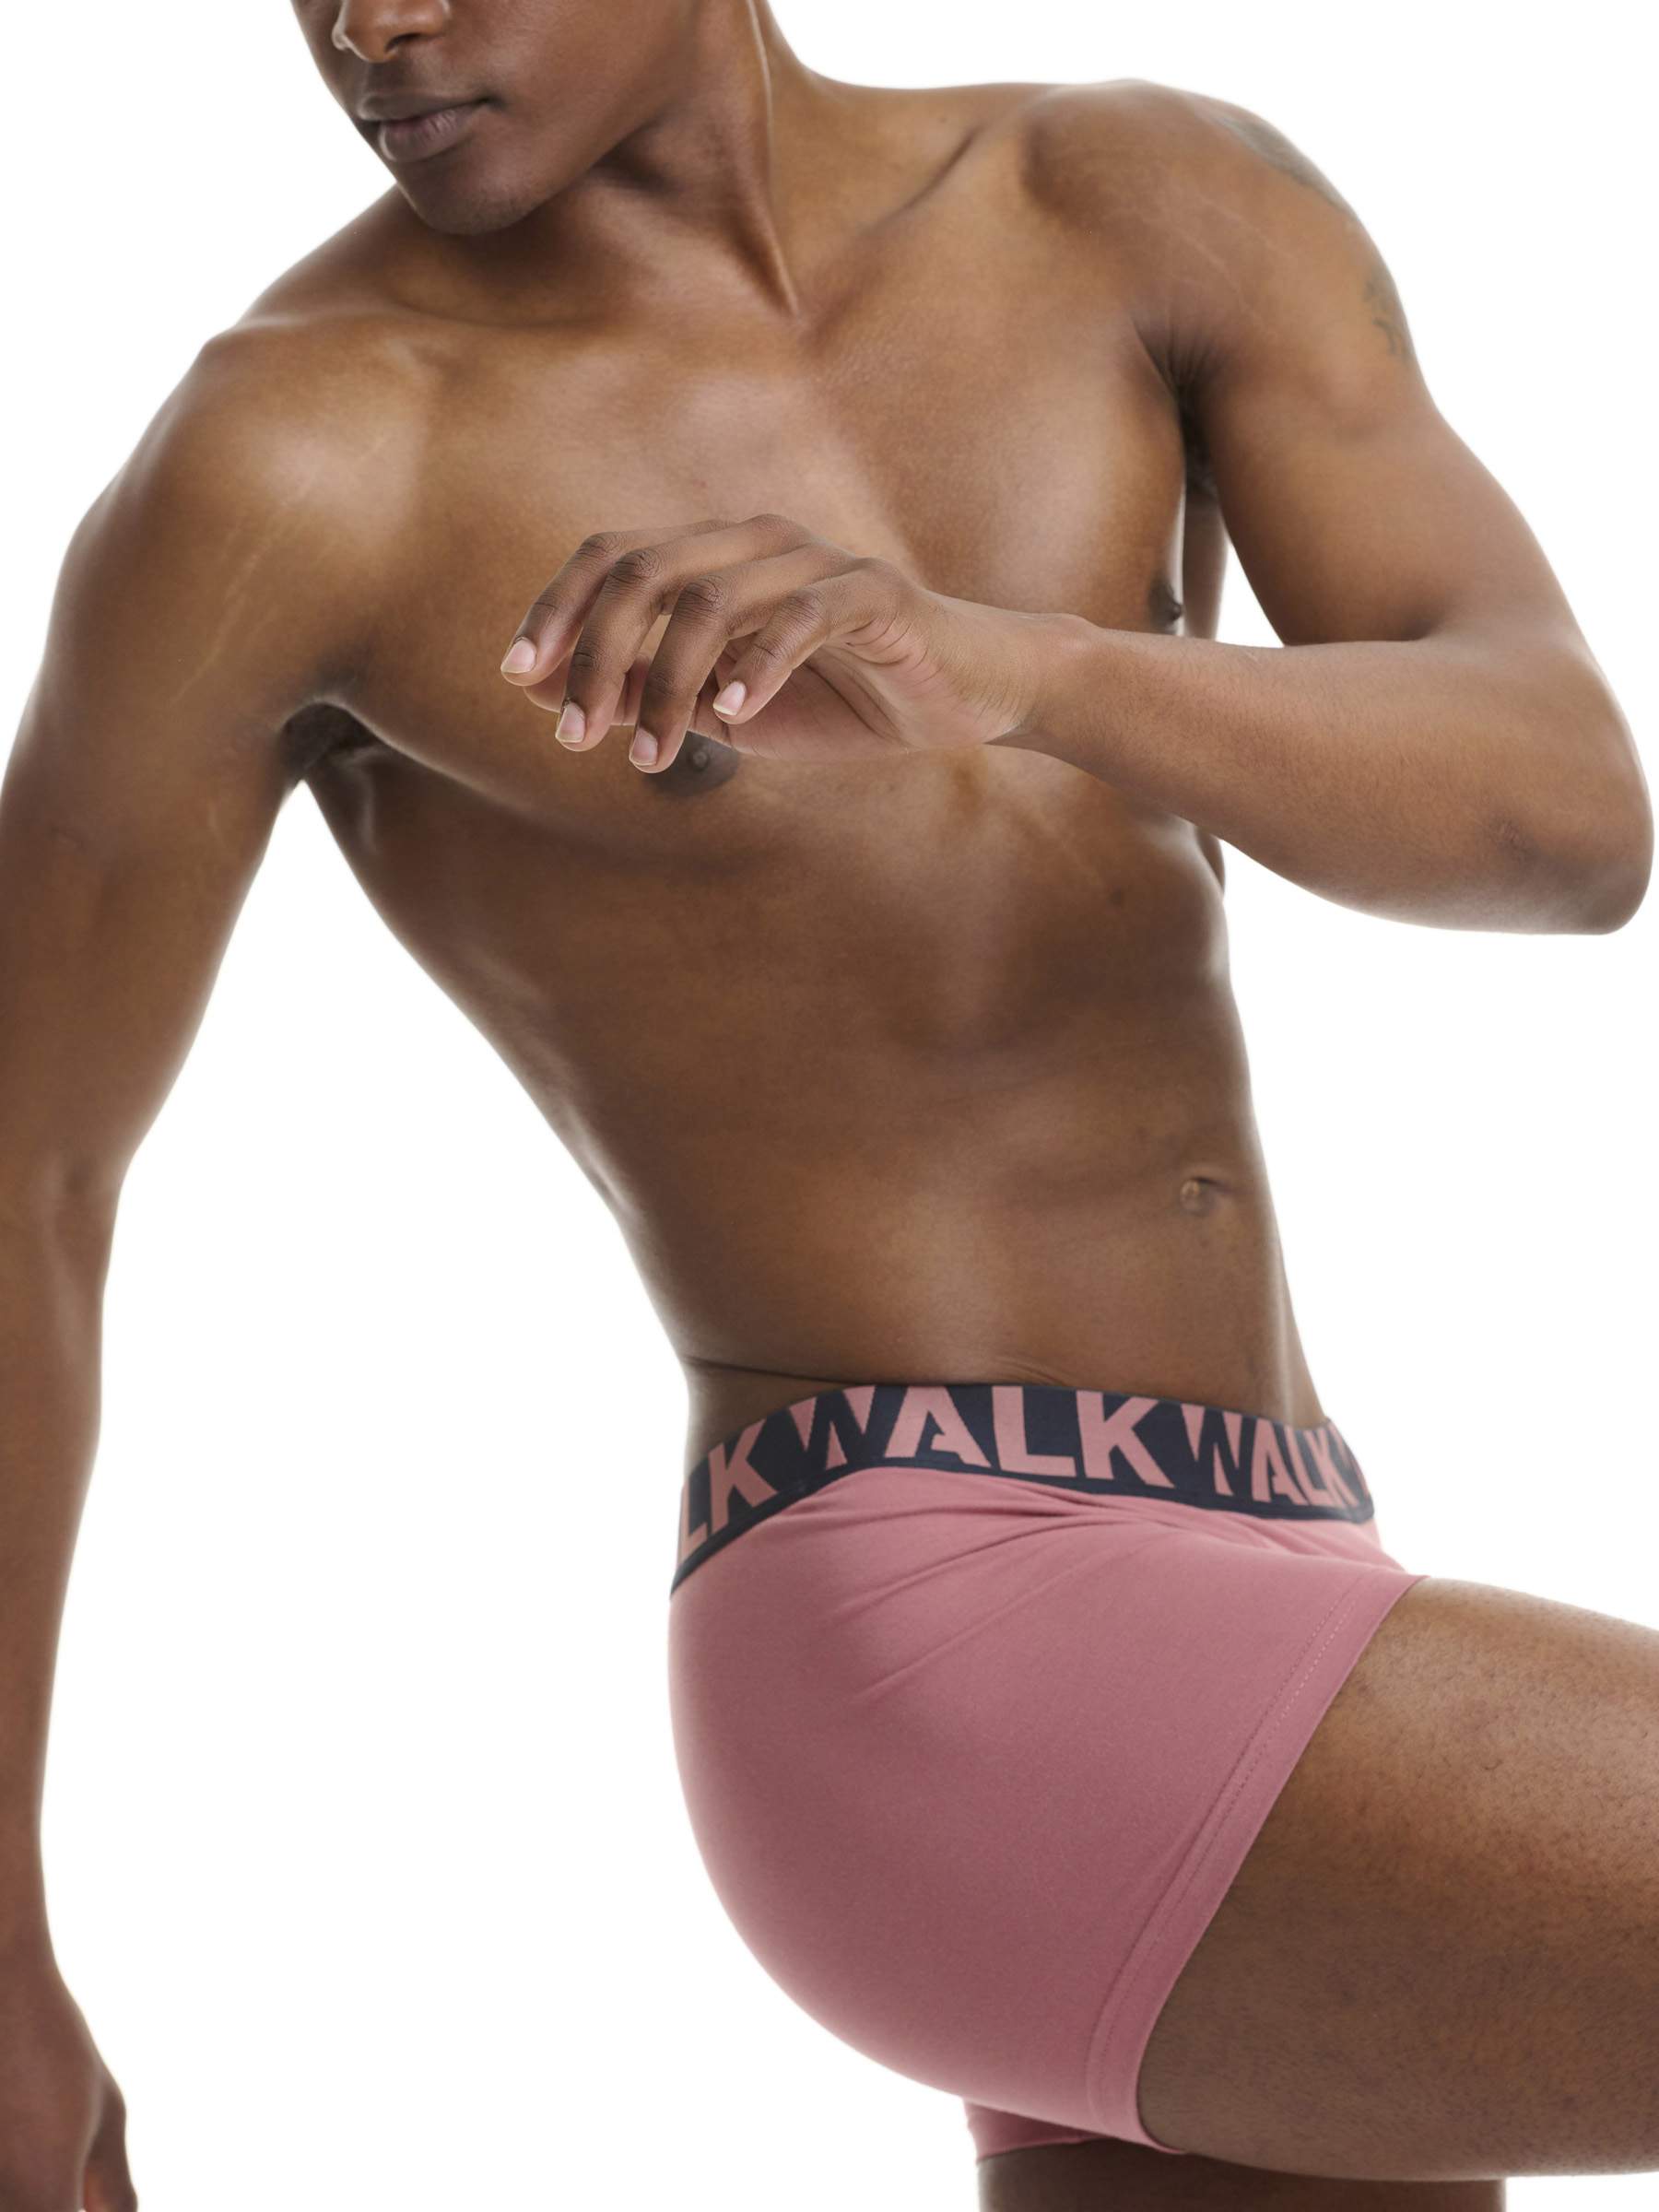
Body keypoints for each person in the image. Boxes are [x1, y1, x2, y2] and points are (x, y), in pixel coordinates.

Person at [0, 3, 1651, 2207]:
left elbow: (1570, 822)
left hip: (1285, 1546)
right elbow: (27, 1175)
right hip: (938, 1631)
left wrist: (1030, 668)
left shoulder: (1141, 205)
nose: (371, 20)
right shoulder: (304, 452)